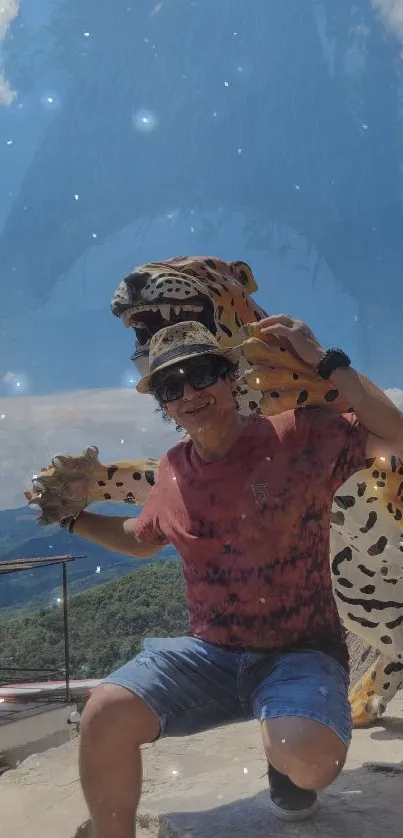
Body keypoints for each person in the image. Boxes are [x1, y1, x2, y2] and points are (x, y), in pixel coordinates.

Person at [70, 317, 403, 838]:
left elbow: (396, 433)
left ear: (231, 375)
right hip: (211, 655)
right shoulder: (173, 469)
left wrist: (325, 358)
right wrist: (74, 519)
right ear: (163, 403)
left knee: (309, 760)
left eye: (201, 373)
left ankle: (288, 749)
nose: (189, 393)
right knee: (103, 713)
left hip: (301, 651)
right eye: (170, 386)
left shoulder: (299, 433)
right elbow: (143, 536)